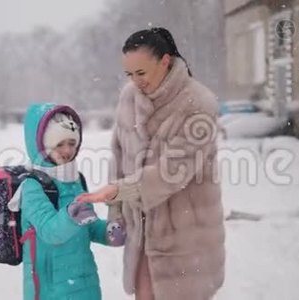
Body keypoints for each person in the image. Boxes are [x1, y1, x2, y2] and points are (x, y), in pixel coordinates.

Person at [76, 27, 225, 300]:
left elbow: (172, 173)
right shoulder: (129, 98)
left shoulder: (198, 105)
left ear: (165, 61)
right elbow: (119, 155)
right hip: (142, 238)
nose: (135, 81)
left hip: (186, 241)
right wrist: (115, 211)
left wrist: (118, 190)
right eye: (129, 74)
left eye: (141, 73)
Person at [20, 103, 125, 300]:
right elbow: (49, 231)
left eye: (71, 143)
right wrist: (71, 214)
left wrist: (110, 232)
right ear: (41, 146)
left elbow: (88, 226)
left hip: (86, 283)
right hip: (50, 288)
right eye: (59, 144)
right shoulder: (32, 186)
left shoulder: (76, 179)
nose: (67, 150)